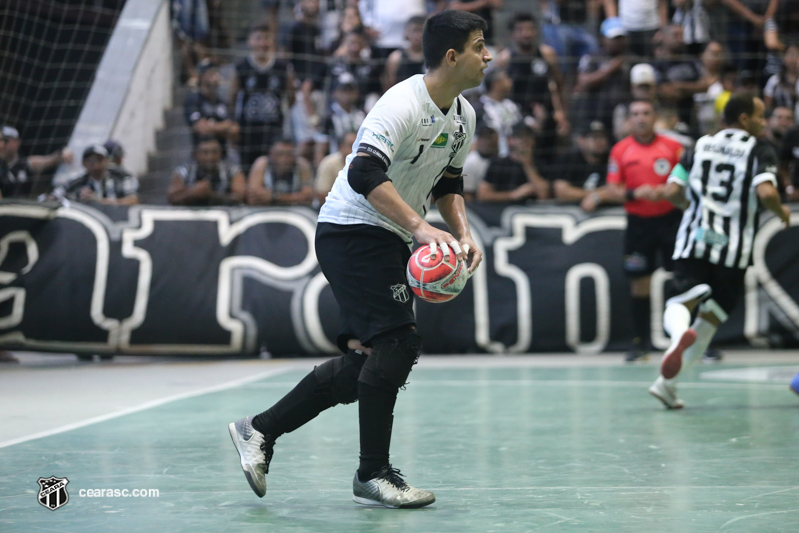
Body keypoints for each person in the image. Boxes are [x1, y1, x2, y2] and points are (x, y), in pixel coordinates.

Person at [228, 9, 489, 509]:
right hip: (351, 229)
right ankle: (373, 473)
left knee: (372, 359)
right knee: (399, 342)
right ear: (452, 56)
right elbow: (363, 173)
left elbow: (449, 183)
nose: (489, 56)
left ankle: (258, 430)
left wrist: (462, 231)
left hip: (387, 235)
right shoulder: (401, 103)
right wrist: (420, 228)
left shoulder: (464, 115)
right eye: (480, 46)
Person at [647, 92, 791, 409]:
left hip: (696, 235)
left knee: (681, 299)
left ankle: (675, 344)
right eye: (760, 116)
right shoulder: (759, 148)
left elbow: (672, 192)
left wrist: (692, 208)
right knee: (711, 318)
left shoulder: (698, 145)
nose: (764, 123)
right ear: (744, 119)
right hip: (730, 244)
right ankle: (667, 383)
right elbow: (766, 192)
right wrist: (782, 213)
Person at [605, 99, 685, 362]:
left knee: (685, 280)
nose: (640, 118)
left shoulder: (673, 148)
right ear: (629, 119)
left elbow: (689, 180)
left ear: (655, 117)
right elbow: (612, 189)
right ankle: (641, 343)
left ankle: (689, 342)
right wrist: (635, 192)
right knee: (640, 283)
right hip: (639, 224)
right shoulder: (620, 150)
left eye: (646, 113)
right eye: (635, 113)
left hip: (672, 221)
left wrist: (670, 190)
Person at [494, 12, 568, 166]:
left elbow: (558, 84)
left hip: (546, 114)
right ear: (512, 34)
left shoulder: (547, 54)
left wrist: (561, 112)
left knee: (549, 157)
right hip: (517, 117)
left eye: (529, 29)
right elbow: (498, 92)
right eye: (520, 30)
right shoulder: (505, 59)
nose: (526, 34)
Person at [231, 23, 295, 173]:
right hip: (247, 130)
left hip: (274, 130)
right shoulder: (241, 67)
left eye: (266, 38)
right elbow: (232, 98)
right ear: (249, 41)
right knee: (247, 169)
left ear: (272, 41)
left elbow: (291, 97)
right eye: (258, 38)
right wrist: (233, 125)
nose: (262, 43)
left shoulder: (283, 67)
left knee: (272, 170)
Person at [477, 123, 550, 202]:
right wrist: (513, 195)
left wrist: (527, 164)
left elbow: (544, 195)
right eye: (519, 137)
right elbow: (483, 194)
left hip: (531, 212)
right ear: (509, 140)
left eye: (528, 136)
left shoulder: (541, 163)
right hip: (500, 210)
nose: (524, 140)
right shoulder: (498, 163)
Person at [552, 121, 613, 211]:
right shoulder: (569, 158)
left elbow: (616, 189)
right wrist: (597, 195)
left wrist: (595, 197)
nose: (600, 141)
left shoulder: (612, 158)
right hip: (569, 212)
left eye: (602, 136)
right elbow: (561, 191)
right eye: (594, 137)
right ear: (581, 140)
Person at [167, 136, 245, 206]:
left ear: (221, 153)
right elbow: (172, 198)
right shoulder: (184, 171)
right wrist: (192, 193)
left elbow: (240, 197)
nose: (210, 157)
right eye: (205, 152)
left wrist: (211, 195)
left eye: (214, 152)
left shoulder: (232, 171)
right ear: (196, 154)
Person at [1, 125, 73, 199]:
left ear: (17, 142)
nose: (1, 145)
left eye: (5, 141)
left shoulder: (26, 163)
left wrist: (62, 152)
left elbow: (50, 160)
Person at [51, 145, 139, 205]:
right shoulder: (76, 182)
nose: (95, 164)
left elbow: (133, 201)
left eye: (99, 159)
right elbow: (53, 197)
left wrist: (99, 200)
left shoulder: (121, 177)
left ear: (106, 161)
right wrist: (74, 200)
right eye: (90, 160)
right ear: (83, 164)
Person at [184, 59, 239, 155]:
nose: (216, 77)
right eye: (211, 74)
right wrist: (223, 126)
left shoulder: (222, 102)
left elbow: (233, 130)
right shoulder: (193, 99)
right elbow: (200, 128)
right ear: (201, 77)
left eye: (217, 73)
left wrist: (210, 125)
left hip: (222, 156)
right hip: (201, 156)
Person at [246, 139, 314, 206]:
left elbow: (308, 197)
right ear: (271, 154)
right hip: (265, 211)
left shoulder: (301, 165)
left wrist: (274, 197)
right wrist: (294, 198)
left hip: (295, 212)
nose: (284, 159)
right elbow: (253, 198)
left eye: (289, 154)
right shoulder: (262, 164)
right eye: (280, 154)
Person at [473, 68, 522, 157]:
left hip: (514, 157)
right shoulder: (478, 108)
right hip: (488, 158)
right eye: (506, 78)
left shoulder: (512, 106)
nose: (510, 82)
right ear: (496, 84)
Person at [383, 16, 426, 90]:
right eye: (415, 30)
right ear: (406, 32)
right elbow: (389, 84)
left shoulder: (433, 56)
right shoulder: (396, 57)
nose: (418, 35)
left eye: (421, 30)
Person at [316, 130, 358, 204]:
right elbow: (321, 194)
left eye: (358, 145)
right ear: (340, 147)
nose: (356, 150)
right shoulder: (329, 163)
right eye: (351, 145)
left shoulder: (365, 163)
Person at [462, 124, 498, 201]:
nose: (486, 142)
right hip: (477, 203)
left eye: (489, 138)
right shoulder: (471, 162)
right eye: (483, 138)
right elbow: (467, 194)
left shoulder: (500, 159)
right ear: (477, 140)